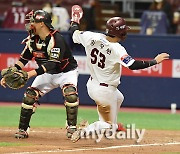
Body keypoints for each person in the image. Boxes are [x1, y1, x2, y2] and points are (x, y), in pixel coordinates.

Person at [69, 5, 170, 142]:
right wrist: (154, 61)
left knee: (119, 97)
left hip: (93, 84)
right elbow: (133, 65)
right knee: (107, 125)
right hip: (104, 91)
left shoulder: (90, 36)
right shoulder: (117, 49)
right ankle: (85, 131)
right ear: (121, 33)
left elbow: (73, 33)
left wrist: (75, 20)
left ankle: (113, 125)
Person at [0, 10, 79, 139]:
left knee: (70, 94)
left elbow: (52, 64)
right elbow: (23, 60)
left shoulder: (57, 39)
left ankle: (72, 127)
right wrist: (10, 74)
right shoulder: (32, 40)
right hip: (47, 73)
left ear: (42, 23)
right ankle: (23, 129)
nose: (30, 24)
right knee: (29, 96)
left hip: (66, 72)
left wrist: (28, 74)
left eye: (33, 22)